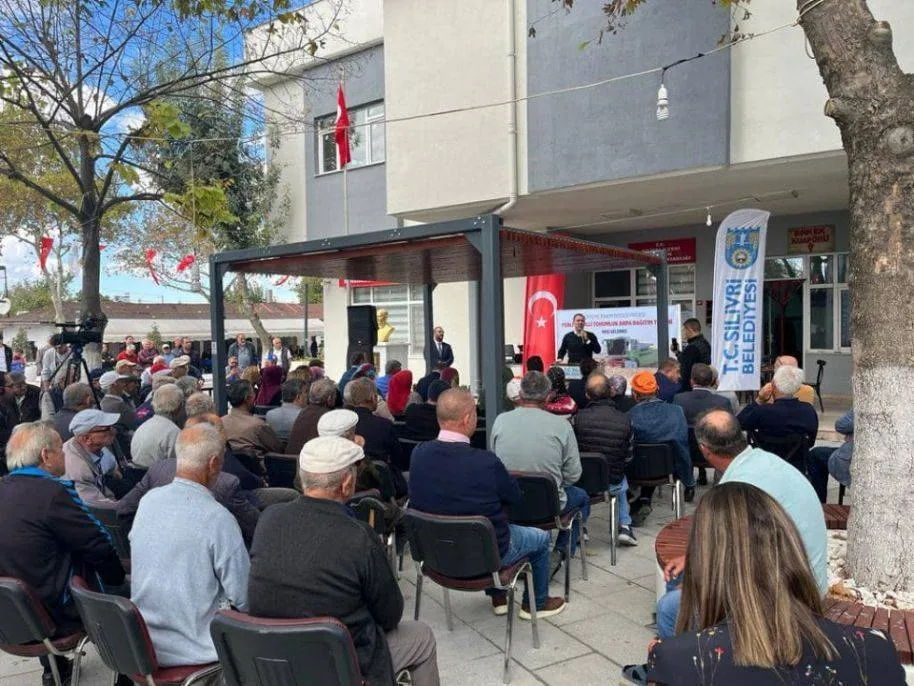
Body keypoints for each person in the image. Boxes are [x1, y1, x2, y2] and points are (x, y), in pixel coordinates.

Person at [642, 482, 904, 686]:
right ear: (792, 548)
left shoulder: (680, 662)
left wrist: (662, 664)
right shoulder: (876, 649)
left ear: (705, 563)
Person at [249, 435, 440, 685]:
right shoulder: (359, 536)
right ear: (347, 483)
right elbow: (390, 615)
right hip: (340, 664)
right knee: (421, 637)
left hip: (275, 660)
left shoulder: (268, 518)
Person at [652, 409, 828, 643]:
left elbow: (736, 562)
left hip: (787, 595)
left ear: (705, 449)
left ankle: (683, 657)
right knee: (680, 576)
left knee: (668, 608)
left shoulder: (737, 488)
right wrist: (691, 559)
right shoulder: (763, 460)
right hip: (802, 576)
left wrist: (695, 586)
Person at [410, 389, 565, 619]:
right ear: (467, 419)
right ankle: (537, 604)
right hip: (487, 554)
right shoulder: (486, 462)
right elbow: (514, 497)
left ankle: (498, 597)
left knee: (488, 524)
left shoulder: (418, 454)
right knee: (540, 539)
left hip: (435, 555)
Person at [0, 421, 126, 685]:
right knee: (119, 587)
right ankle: (125, 670)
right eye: (60, 449)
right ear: (46, 456)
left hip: (11, 618)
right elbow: (99, 544)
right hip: (57, 616)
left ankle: (53, 669)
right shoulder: (53, 492)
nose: (65, 454)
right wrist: (117, 584)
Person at [130, 423, 249, 668]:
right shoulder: (218, 518)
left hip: (143, 642)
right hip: (197, 649)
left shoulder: (148, 501)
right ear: (214, 463)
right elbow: (244, 596)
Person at [492, 371, 587, 575]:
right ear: (548, 396)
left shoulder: (500, 421)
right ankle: (560, 551)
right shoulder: (562, 426)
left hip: (510, 505)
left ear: (521, 393)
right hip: (550, 505)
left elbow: (494, 464)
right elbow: (574, 474)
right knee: (582, 497)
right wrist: (553, 482)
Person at [119, 414, 262, 547]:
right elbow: (256, 528)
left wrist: (146, 542)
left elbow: (124, 508)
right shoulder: (227, 483)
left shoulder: (159, 468)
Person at [573, 373, 637, 545]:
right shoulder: (625, 419)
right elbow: (629, 456)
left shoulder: (577, 419)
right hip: (614, 481)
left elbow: (573, 453)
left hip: (584, 481)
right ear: (610, 392)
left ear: (587, 395)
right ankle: (625, 526)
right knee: (622, 480)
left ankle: (581, 527)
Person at [628, 370, 693, 524]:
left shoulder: (629, 416)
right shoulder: (676, 412)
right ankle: (644, 499)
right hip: (667, 469)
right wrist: (689, 480)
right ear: (657, 390)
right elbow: (682, 445)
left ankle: (638, 501)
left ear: (634, 394)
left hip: (637, 469)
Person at [344, 378, 406, 491]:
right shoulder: (385, 425)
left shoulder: (344, 426)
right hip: (380, 486)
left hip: (350, 484)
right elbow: (399, 460)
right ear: (373, 397)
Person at [737, 365, 819, 449]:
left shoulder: (762, 411)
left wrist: (759, 400)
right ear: (798, 388)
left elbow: (736, 425)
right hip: (798, 456)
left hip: (765, 455)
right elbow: (810, 442)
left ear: (773, 385)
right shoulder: (808, 411)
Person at [62, 409, 123, 507]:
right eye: (106, 429)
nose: (114, 431)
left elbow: (113, 468)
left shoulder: (94, 447)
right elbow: (100, 508)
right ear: (86, 439)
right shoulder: (78, 470)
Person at [221, 380, 283, 461]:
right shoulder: (258, 425)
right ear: (248, 398)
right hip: (257, 468)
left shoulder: (220, 422)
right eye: (254, 393)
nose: (255, 396)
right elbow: (278, 449)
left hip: (230, 466)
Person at [130, 384, 184, 468]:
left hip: (138, 472)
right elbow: (177, 465)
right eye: (182, 403)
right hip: (160, 473)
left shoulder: (144, 426)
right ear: (178, 407)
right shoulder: (174, 432)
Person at [807, 408, 853, 503]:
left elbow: (840, 425)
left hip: (851, 459)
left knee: (815, 455)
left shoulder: (866, 406)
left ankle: (820, 504)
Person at [286, 378, 338, 455]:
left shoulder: (303, 412)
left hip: (291, 459)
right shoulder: (330, 416)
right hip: (310, 460)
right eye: (335, 395)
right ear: (329, 399)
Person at [99, 370, 137, 456]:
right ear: (113, 385)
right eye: (121, 382)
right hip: (126, 447)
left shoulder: (104, 402)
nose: (124, 384)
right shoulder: (117, 404)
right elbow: (135, 423)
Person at [673, 318, 711, 392]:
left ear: (690, 330)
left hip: (692, 388)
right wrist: (677, 352)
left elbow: (685, 369)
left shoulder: (692, 347)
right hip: (704, 383)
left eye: (684, 330)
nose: (683, 332)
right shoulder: (705, 343)